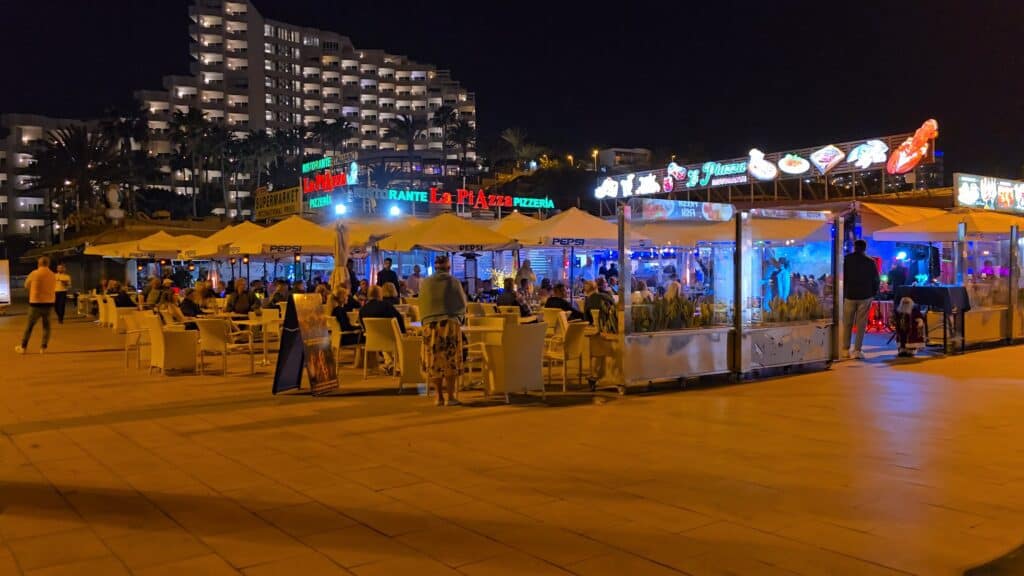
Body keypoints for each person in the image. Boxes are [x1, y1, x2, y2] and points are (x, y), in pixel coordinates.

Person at [418, 254, 467, 406]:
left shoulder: (426, 283)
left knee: (434, 361)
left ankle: (438, 396)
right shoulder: (453, 282)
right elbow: (462, 303)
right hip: (449, 324)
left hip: (430, 325)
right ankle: (451, 396)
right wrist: (460, 318)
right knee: (450, 360)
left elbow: (422, 303)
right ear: (448, 267)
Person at [843, 239, 880, 360]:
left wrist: (844, 292)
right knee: (861, 324)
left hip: (849, 295)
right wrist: (873, 293)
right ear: (865, 248)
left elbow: (844, 277)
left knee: (847, 323)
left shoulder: (847, 259)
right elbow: (876, 280)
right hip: (865, 295)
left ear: (854, 247)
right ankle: (857, 350)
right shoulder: (870, 262)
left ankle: (845, 349)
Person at [17, 257, 57, 354]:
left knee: (29, 326)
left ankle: (23, 347)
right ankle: (43, 347)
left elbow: (26, 285)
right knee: (46, 326)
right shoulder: (53, 275)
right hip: (49, 303)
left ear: (39, 264)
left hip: (35, 303)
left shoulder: (34, 273)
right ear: (48, 264)